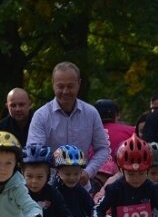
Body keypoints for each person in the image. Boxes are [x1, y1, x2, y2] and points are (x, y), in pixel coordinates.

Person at [27, 62, 110, 190]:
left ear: (79, 84)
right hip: (50, 187)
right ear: (53, 84)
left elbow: (103, 148)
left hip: (81, 186)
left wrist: (88, 172)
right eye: (60, 86)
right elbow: (34, 152)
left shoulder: (91, 113)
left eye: (70, 86)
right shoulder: (41, 116)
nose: (65, 91)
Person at [93, 99, 135, 190]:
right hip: (124, 180)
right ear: (117, 115)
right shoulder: (131, 131)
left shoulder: (87, 132)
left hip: (93, 179)